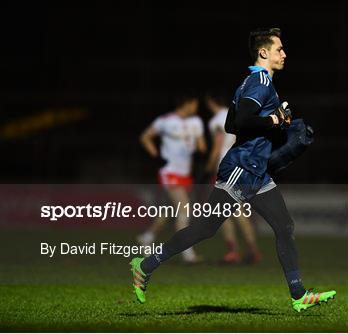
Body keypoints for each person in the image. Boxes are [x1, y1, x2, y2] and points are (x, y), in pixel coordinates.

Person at [130, 28, 336, 312]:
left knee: (284, 226)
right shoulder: (260, 82)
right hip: (241, 168)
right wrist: (274, 120)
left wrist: (277, 122)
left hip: (258, 172)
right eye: (279, 49)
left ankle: (298, 294)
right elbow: (243, 119)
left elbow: (231, 125)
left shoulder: (251, 82)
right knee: (204, 229)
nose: (284, 54)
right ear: (263, 52)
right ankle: (146, 265)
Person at [137, 95, 206, 264]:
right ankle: (187, 253)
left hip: (185, 174)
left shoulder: (195, 122)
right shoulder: (165, 121)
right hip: (170, 172)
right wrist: (157, 157)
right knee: (185, 210)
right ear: (187, 103)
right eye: (195, 103)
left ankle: (147, 237)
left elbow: (201, 146)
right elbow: (145, 137)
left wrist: (198, 147)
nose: (197, 107)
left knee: (168, 212)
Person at [206, 93, 263, 265]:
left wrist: (208, 167)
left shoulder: (216, 120)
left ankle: (235, 252)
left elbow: (217, 146)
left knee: (227, 213)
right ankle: (251, 251)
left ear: (210, 101)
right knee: (236, 211)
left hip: (225, 169)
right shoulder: (237, 115)